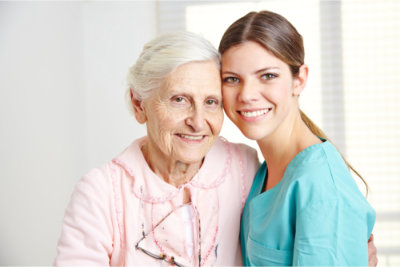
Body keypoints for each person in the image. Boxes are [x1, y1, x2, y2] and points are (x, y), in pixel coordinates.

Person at [54, 31, 260, 266]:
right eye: (179, 100)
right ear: (139, 104)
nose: (198, 122)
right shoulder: (100, 192)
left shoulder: (245, 167)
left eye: (211, 102)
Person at [218, 10, 376, 266]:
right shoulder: (261, 172)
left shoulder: (322, 190)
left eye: (267, 76)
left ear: (299, 80)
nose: (246, 94)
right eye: (232, 79)